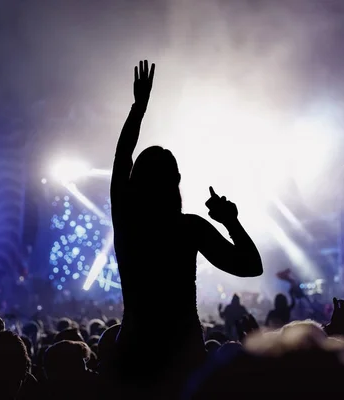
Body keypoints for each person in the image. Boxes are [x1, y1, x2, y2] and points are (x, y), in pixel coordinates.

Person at [110, 60, 263, 388]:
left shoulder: (127, 220)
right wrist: (230, 222)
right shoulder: (189, 228)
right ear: (176, 181)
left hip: (134, 350)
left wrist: (138, 108)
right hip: (184, 352)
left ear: (135, 182)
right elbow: (251, 266)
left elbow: (121, 158)